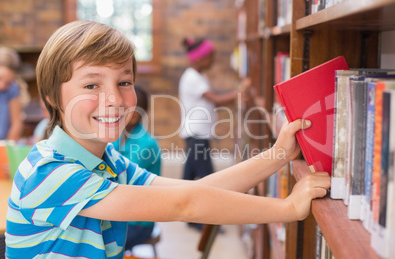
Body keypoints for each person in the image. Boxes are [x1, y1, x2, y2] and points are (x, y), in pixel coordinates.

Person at [5, 20, 330, 259]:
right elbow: (184, 203)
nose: (115, 100)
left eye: (124, 82)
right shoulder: (51, 172)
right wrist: (288, 207)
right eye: (92, 86)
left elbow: (197, 191)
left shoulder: (110, 160)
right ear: (50, 97)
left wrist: (278, 155)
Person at [179, 38, 250, 230]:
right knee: (208, 179)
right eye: (210, 57)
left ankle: (189, 216)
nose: (212, 61)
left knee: (190, 177)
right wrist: (240, 91)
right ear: (199, 59)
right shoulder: (192, 77)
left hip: (197, 134)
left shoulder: (198, 76)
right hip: (196, 136)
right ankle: (208, 225)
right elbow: (217, 100)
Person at [112, 85, 161, 254]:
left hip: (138, 223)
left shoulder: (147, 144)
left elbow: (121, 178)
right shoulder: (116, 135)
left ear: (142, 112)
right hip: (121, 215)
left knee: (100, 242)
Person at [0, 47, 23, 141]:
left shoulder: (12, 89)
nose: (2, 85)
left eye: (8, 82)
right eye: (0, 78)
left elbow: (16, 123)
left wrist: (8, 145)